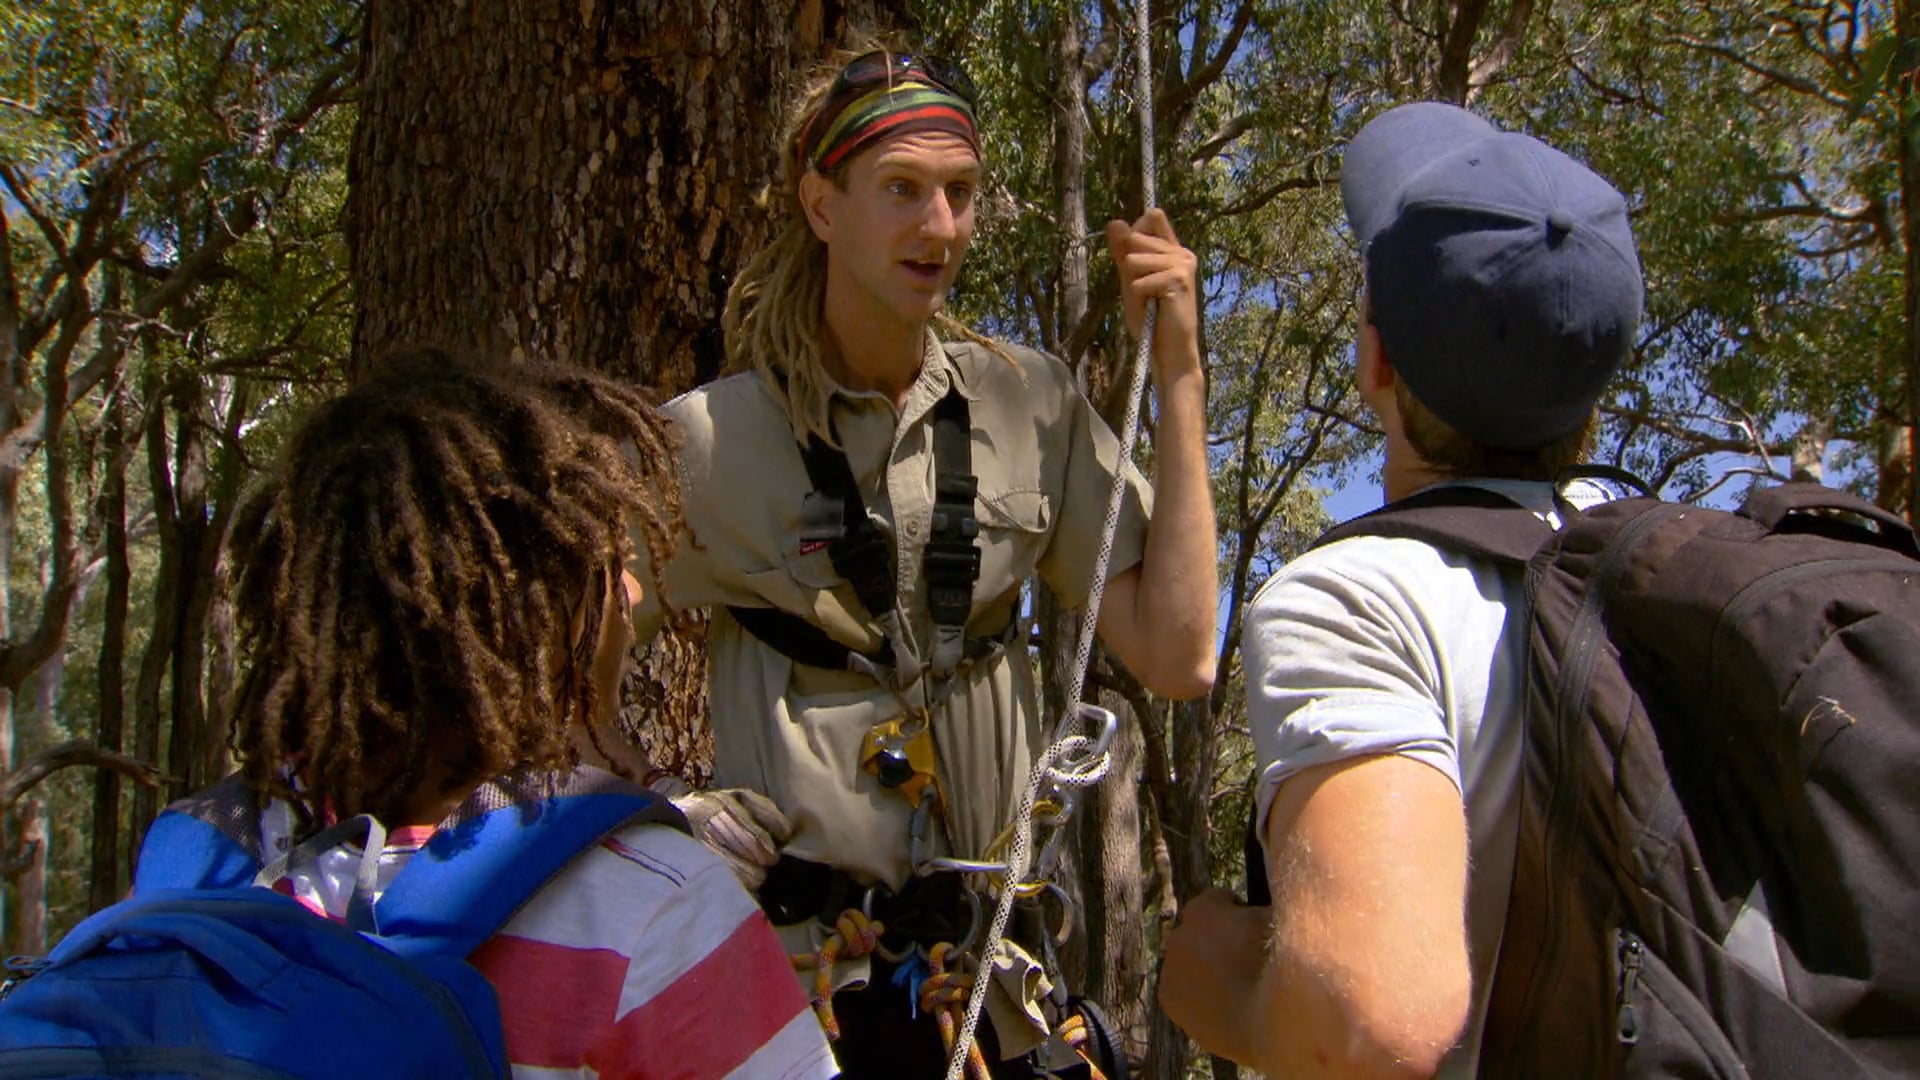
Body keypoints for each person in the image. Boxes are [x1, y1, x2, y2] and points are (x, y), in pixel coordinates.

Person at [629, 42, 1219, 1077]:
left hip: (996, 993)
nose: (938, 227)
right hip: (797, 1004)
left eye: (959, 192)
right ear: (822, 206)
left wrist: (1179, 376)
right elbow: (544, 651)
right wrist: (643, 811)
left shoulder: (1030, 406)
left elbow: (1179, 655)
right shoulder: (709, 445)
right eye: (901, 190)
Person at [161, 356, 837, 1080]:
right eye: (608, 565)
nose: (634, 590)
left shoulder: (201, 864)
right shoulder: (651, 906)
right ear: (534, 615)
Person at [1157, 101, 1644, 1077]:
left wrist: (1210, 971)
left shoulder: (1356, 600)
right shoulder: (1674, 567)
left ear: (1376, 358)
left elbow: (1366, 1026)